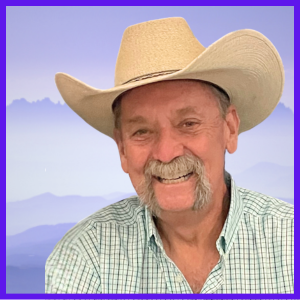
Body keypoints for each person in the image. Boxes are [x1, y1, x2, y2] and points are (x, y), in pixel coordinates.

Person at [45, 17, 294, 294]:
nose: (165, 153)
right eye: (142, 131)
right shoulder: (85, 257)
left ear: (230, 128)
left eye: (188, 124)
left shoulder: (289, 243)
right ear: (122, 149)